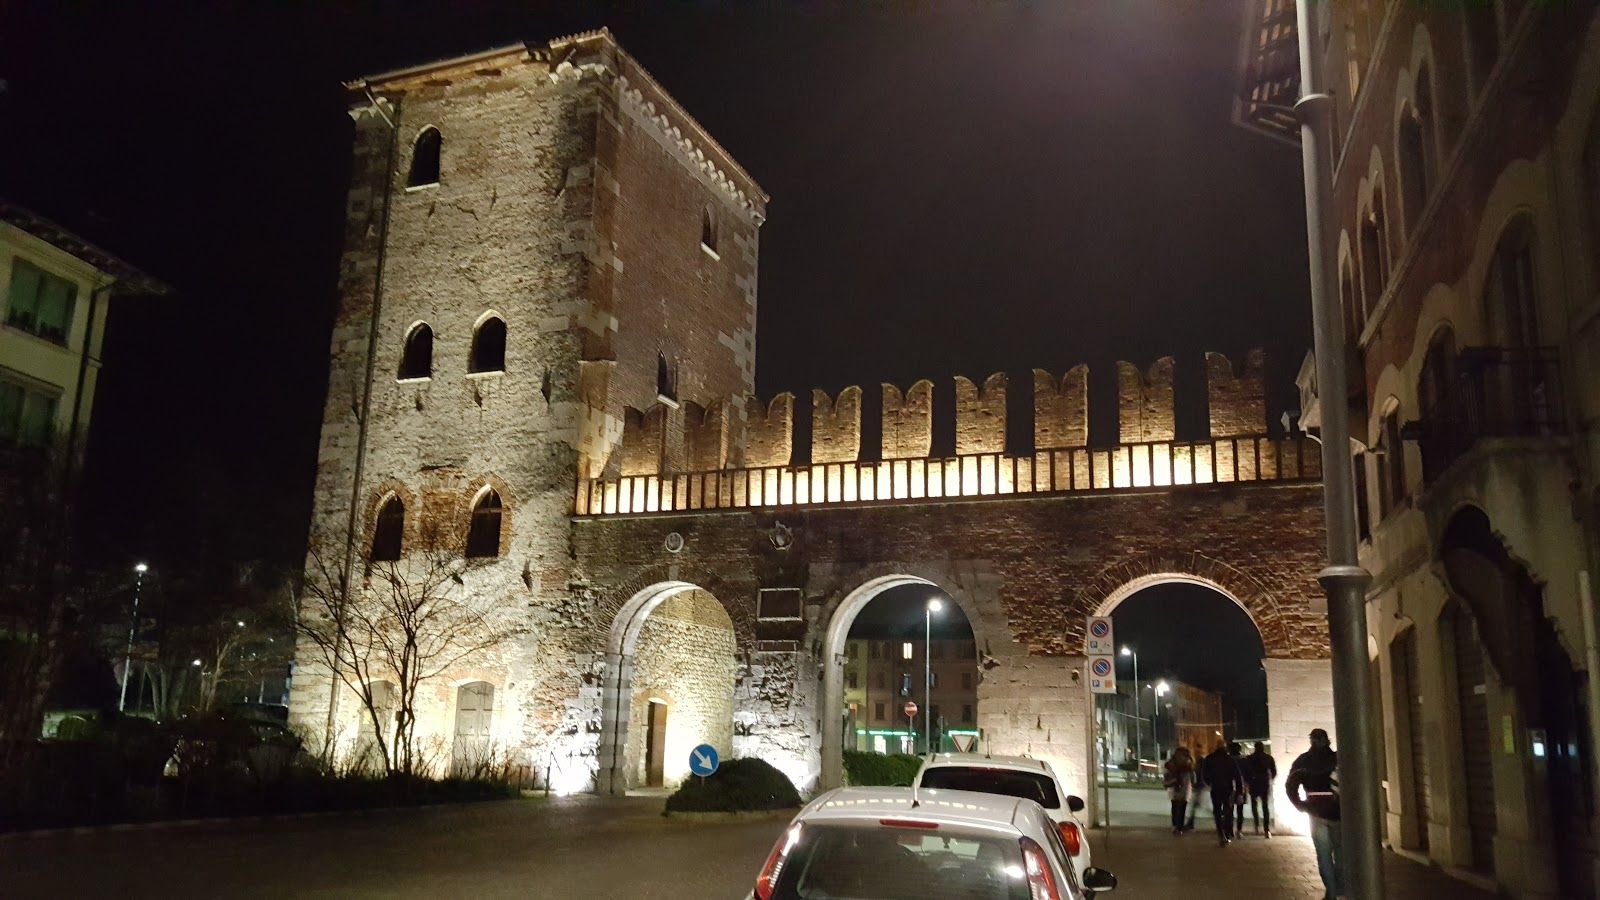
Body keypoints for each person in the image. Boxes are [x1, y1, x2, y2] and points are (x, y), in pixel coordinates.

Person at [1286, 728, 1342, 900]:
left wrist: (1300, 805)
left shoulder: (1303, 761)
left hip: (1316, 810)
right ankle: (1339, 887)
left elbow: (1291, 785)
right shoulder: (1337, 759)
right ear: (1327, 740)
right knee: (1340, 853)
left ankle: (1331, 892)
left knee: (1323, 854)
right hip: (1338, 810)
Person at [1201, 741, 1243, 846]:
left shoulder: (1209, 759)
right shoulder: (1230, 759)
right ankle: (1227, 833)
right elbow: (1237, 776)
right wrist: (1239, 791)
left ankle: (1220, 834)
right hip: (1227, 789)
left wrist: (1209, 783)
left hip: (1215, 788)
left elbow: (1204, 774)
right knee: (1228, 810)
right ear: (1225, 748)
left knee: (1217, 811)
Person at [1244, 740, 1277, 837]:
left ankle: (1256, 826)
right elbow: (1273, 771)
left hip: (1253, 783)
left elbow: (1246, 772)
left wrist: (1248, 781)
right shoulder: (1268, 758)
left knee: (1254, 806)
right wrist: (1269, 779)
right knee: (1265, 806)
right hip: (1264, 783)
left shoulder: (1249, 758)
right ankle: (1266, 830)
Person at [1163, 747, 1196, 835]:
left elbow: (1166, 773)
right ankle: (1179, 827)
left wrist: (1167, 783)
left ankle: (1175, 825)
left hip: (1174, 786)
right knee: (1182, 807)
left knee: (1175, 806)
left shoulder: (1171, 763)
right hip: (1184, 786)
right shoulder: (1189, 762)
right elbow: (1193, 776)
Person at [1227, 742, 1248, 837]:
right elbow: (1248, 774)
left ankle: (1230, 830)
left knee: (1229, 809)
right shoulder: (1244, 760)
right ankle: (1239, 831)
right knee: (1240, 810)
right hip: (1241, 787)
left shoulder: (1227, 760)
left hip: (1229, 786)